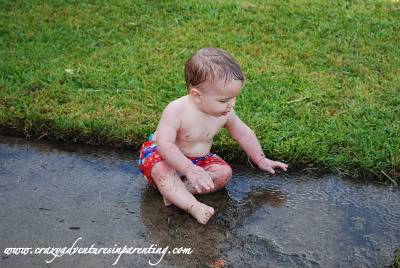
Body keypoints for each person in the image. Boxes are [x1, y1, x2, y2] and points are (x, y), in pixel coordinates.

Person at [138, 48, 288, 224]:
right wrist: (188, 168)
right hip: (165, 157)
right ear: (197, 96)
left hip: (199, 161)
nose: (231, 105)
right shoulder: (176, 111)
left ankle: (176, 192)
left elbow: (243, 133)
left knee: (224, 173)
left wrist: (261, 159)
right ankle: (192, 205)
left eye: (233, 98)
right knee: (162, 170)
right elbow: (165, 145)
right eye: (224, 100)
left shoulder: (226, 113)